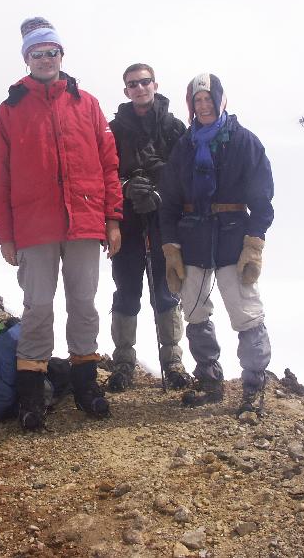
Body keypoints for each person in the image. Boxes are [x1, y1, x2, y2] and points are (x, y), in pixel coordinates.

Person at [0, 17, 123, 431]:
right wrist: (5, 235)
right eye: (37, 54)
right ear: (27, 59)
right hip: (34, 229)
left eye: (52, 52)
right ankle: (31, 395)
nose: (45, 59)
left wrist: (113, 219)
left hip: (83, 222)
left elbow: (108, 164)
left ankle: (86, 386)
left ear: (61, 55)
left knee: (84, 304)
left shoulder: (87, 103)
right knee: (38, 308)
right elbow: (0, 176)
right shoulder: (10, 109)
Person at [158, 73, 274, 415]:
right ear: (191, 106)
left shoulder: (243, 142)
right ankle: (209, 380)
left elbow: (262, 201)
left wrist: (254, 245)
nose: (203, 105)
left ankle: (254, 386)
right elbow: (170, 202)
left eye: (209, 98)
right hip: (193, 237)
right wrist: (171, 248)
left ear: (221, 100)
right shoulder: (185, 146)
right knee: (194, 311)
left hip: (232, 237)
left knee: (245, 312)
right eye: (198, 101)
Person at [106, 63, 191, 392]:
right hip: (127, 222)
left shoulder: (173, 127)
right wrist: (126, 186)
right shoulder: (113, 130)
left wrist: (160, 190)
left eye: (144, 82)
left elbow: (186, 174)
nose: (139, 88)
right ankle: (124, 363)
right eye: (132, 84)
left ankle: (172, 362)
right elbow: (105, 173)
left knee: (166, 289)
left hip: (165, 222)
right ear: (126, 91)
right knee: (126, 291)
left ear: (155, 84)